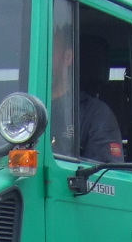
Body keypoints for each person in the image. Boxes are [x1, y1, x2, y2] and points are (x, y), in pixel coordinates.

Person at [51, 29, 125, 162]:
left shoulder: (95, 114)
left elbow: (105, 174)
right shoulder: (17, 110)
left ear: (68, 57)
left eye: (50, 50)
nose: (41, 58)